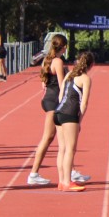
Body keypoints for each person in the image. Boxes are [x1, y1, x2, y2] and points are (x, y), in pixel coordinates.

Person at [28, 34, 90, 186]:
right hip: (55, 101)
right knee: (48, 137)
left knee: (64, 141)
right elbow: (64, 85)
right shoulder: (57, 61)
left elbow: (43, 82)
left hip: (49, 98)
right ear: (64, 47)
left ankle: (71, 171)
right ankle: (34, 173)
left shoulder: (47, 60)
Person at [53, 52, 95, 192]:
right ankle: (67, 181)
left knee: (62, 149)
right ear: (91, 65)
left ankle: (61, 181)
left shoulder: (69, 74)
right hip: (70, 114)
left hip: (58, 112)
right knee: (70, 149)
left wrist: (61, 109)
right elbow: (84, 103)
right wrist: (79, 121)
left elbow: (60, 95)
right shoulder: (85, 78)